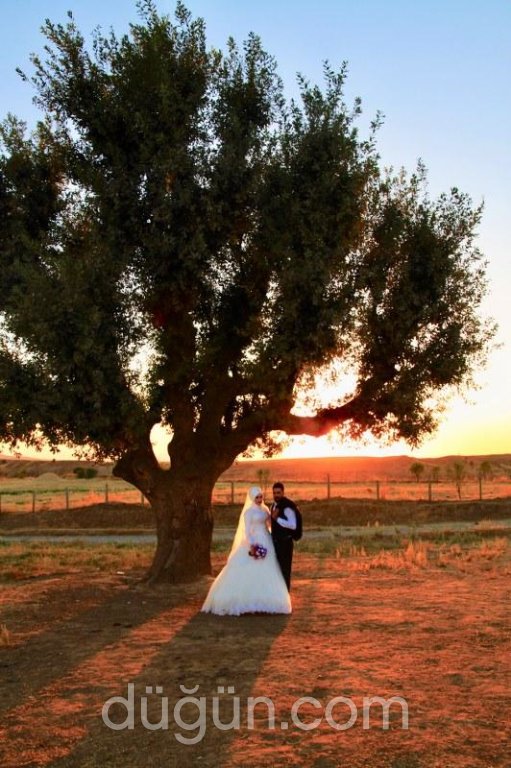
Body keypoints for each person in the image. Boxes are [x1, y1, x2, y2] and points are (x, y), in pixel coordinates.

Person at [201, 486, 292, 616]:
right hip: (254, 541)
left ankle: (267, 600)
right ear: (252, 498)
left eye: (261, 497)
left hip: (266, 539)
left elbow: (269, 525)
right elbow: (247, 531)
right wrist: (253, 545)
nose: (259, 499)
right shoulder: (248, 512)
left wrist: (276, 527)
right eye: (257, 497)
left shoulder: (265, 509)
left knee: (268, 568)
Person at [270, 482, 298, 591]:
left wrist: (277, 519)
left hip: (285, 543)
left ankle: (286, 593)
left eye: (278, 493)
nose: (276, 495)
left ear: (283, 492)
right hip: (276, 542)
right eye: (274, 493)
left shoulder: (288, 506)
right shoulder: (273, 506)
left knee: (285, 570)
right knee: (277, 570)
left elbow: (292, 524)